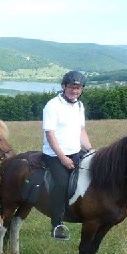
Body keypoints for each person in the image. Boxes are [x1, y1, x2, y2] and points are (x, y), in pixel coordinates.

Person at [42, 70, 94, 241]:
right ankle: (57, 224)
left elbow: (81, 131)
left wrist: (91, 149)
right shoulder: (52, 106)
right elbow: (50, 135)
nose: (75, 91)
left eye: (78, 88)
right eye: (72, 87)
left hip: (75, 151)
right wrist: (63, 158)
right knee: (62, 183)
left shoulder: (79, 106)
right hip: (54, 155)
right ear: (64, 87)